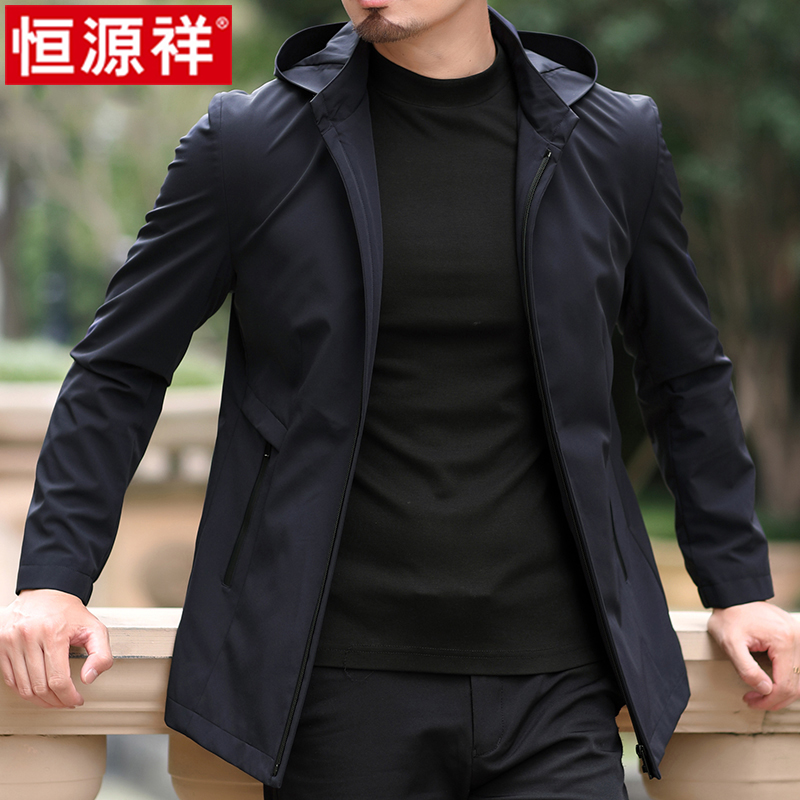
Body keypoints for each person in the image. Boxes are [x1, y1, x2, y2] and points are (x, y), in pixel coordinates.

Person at [2, 1, 800, 797]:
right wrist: (54, 578)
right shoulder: (247, 145)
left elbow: (685, 374)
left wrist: (738, 587)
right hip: (334, 688)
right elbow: (120, 367)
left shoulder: (614, 140)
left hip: (560, 687)